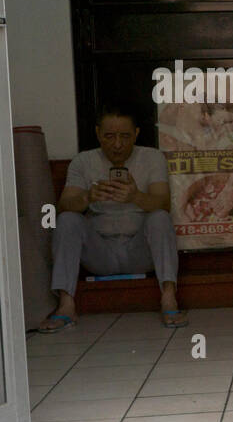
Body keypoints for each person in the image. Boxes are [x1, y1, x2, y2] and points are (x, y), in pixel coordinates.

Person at [39, 106, 187, 332]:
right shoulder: (82, 161)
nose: (117, 144)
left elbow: (163, 203)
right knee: (68, 220)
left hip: (139, 251)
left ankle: (168, 298)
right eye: (109, 136)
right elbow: (64, 206)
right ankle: (66, 305)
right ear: (98, 134)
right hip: (100, 253)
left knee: (160, 218)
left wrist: (136, 196)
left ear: (136, 134)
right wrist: (87, 197)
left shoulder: (151, 157)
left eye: (124, 136)